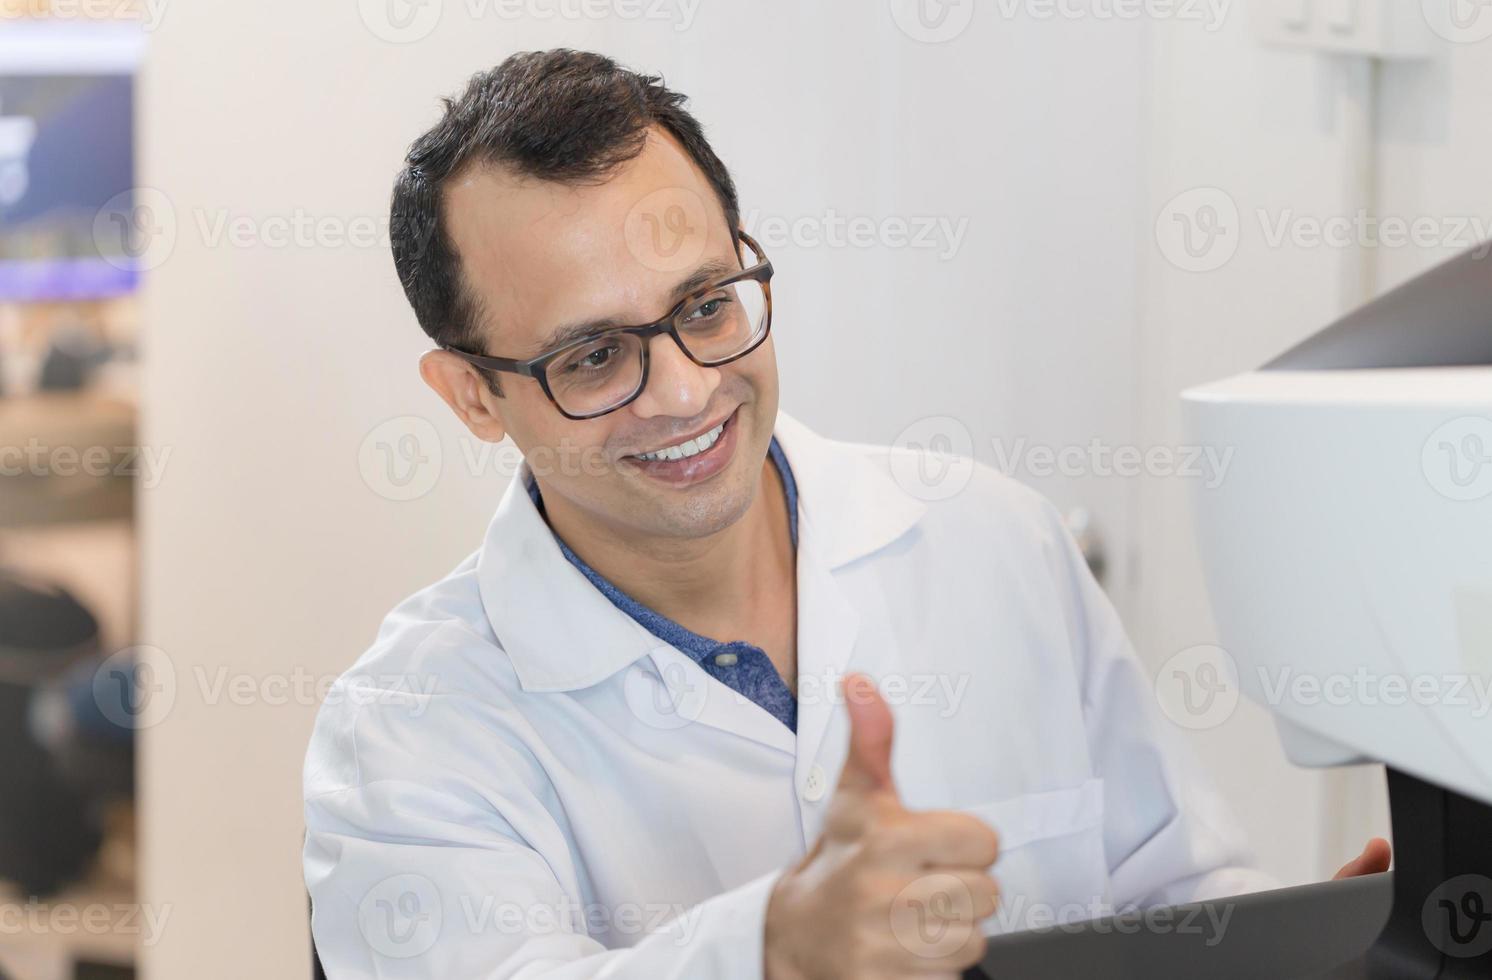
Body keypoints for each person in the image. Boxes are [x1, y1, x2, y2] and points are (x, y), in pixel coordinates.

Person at [302, 48, 1390, 979]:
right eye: (593, 357)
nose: (685, 391)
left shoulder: (990, 537)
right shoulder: (407, 727)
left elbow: (1173, 887)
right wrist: (769, 949)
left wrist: (1293, 948)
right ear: (468, 395)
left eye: (704, 305)